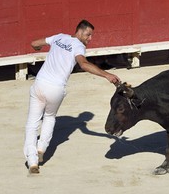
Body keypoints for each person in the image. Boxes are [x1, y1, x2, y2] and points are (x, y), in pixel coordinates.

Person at [23, 19, 121, 174]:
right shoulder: (78, 46)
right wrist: (106, 75)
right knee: (49, 117)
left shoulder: (59, 37)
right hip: (56, 89)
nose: (90, 39)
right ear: (80, 31)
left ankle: (32, 161)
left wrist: (39, 47)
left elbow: (34, 43)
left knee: (32, 123)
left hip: (40, 84)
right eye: (88, 35)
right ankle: (41, 148)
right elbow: (83, 64)